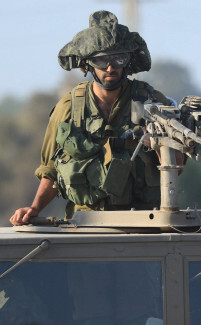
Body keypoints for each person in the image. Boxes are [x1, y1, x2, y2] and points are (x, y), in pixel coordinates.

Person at [10, 10, 184, 225]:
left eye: (118, 58)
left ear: (128, 62)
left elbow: (177, 165)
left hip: (144, 221)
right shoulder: (69, 107)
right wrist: (35, 208)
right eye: (101, 60)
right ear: (88, 64)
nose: (110, 68)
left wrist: (157, 143)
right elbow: (51, 170)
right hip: (85, 223)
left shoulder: (153, 103)